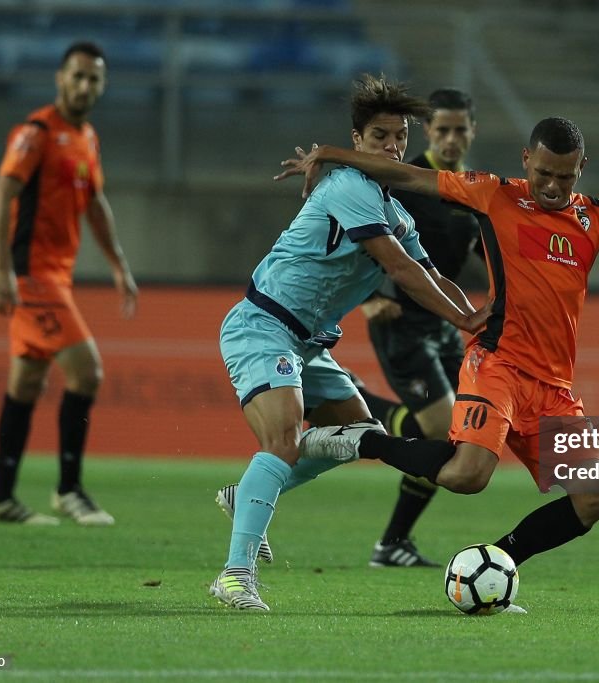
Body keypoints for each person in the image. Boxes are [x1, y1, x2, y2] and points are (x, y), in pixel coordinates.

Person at [278, 116, 599, 611]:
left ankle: (501, 561)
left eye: (564, 176)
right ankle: (359, 440)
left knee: (596, 498)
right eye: (543, 173)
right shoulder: (492, 194)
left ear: (582, 168)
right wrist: (329, 153)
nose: (551, 186)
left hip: (554, 387)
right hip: (498, 363)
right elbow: (406, 174)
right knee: (467, 475)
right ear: (526, 159)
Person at [209, 74, 489, 611]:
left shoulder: (398, 210)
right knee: (285, 438)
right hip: (262, 325)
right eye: (381, 137)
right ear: (359, 140)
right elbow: (401, 270)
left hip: (308, 343)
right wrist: (467, 321)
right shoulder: (349, 187)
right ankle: (234, 575)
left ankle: (246, 496)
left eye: (400, 138)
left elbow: (430, 275)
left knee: (359, 430)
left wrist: (473, 313)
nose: (393, 147)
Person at [0, 41, 138, 527]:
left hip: (55, 276)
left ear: (102, 86)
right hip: (32, 276)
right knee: (87, 372)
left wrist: (119, 263)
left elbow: (94, 204)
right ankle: (69, 489)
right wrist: (3, 268)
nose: (85, 86)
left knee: (27, 382)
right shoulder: (38, 133)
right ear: (60, 78)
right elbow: (2, 192)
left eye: (94, 79)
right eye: (77, 76)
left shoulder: (86, 137)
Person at [356, 87, 482, 568]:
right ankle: (360, 411)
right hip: (401, 321)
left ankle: (392, 545)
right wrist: (369, 299)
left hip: (445, 326)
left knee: (456, 440)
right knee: (439, 433)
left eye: (459, 129)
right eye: (442, 129)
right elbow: (355, 233)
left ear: (473, 132)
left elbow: (473, 250)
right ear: (428, 133)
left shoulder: (472, 188)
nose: (451, 138)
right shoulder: (405, 181)